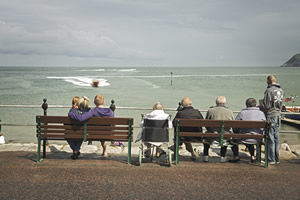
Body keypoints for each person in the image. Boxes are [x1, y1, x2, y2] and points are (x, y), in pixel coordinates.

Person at [231, 98, 266, 163]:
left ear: (246, 105)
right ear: (256, 105)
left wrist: (237, 132)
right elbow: (264, 128)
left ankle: (236, 156)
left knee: (234, 138)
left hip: (244, 138)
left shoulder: (242, 113)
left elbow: (234, 125)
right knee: (252, 137)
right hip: (257, 138)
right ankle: (253, 156)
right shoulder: (261, 113)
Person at [204, 96, 234, 162]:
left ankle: (206, 156)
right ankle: (222, 157)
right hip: (225, 136)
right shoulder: (230, 111)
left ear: (216, 102)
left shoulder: (210, 110)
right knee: (226, 134)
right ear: (225, 103)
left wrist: (210, 129)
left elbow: (206, 123)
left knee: (206, 135)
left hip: (212, 135)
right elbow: (232, 124)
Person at [262, 74, 284, 164]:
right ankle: (277, 158)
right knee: (276, 137)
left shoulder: (269, 90)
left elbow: (266, 106)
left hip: (270, 115)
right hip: (278, 115)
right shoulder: (281, 90)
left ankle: (271, 159)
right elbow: (281, 104)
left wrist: (261, 107)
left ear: (268, 81)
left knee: (270, 137)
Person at [173, 97, 203, 161]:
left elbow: (174, 123)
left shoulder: (180, 113)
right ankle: (193, 154)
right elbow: (203, 123)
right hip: (197, 137)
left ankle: (176, 156)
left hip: (183, 137)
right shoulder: (197, 112)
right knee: (187, 136)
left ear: (182, 105)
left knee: (181, 135)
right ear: (191, 103)